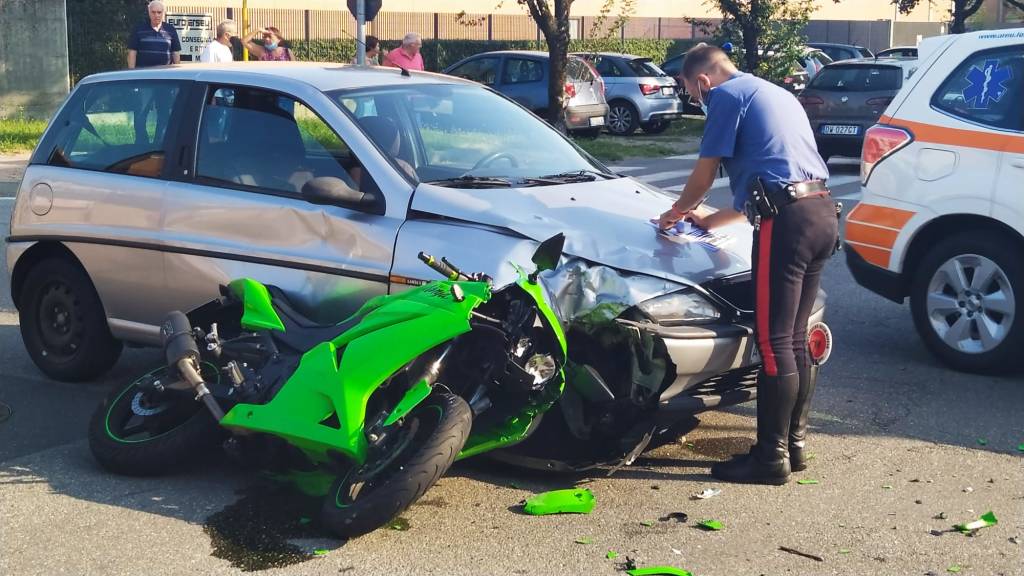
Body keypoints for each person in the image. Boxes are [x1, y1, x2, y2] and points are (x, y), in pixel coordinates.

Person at [657, 44, 839, 485]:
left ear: (701, 80)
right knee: (794, 339)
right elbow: (773, 179)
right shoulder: (772, 93)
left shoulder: (725, 96)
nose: (696, 101)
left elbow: (704, 173)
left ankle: (768, 459)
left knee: (773, 342)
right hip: (821, 213)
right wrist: (711, 219)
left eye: (690, 92)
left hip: (788, 223)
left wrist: (676, 213)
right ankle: (793, 447)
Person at [127, 1, 181, 68]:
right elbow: (132, 52)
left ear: (163, 13)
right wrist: (132, 74)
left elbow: (175, 53)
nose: (156, 15)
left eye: (159, 12)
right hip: (143, 73)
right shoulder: (138, 29)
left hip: (165, 74)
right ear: (149, 12)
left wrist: (177, 72)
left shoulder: (170, 29)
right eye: (153, 12)